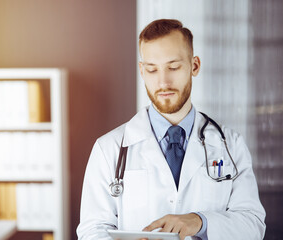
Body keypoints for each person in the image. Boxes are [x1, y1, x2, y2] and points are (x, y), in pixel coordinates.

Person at [76, 19, 266, 240]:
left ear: (194, 66)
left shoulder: (230, 145)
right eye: (152, 69)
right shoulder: (109, 149)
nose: (163, 82)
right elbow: (92, 230)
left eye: (173, 67)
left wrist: (200, 221)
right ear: (141, 71)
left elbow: (253, 226)